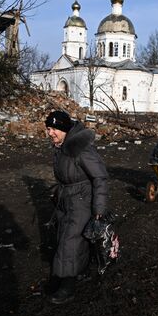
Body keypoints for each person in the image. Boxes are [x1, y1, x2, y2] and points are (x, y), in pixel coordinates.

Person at [44, 110, 108, 304]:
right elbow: (68, 174)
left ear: (65, 129)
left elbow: (100, 177)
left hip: (82, 201)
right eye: (48, 128)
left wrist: (99, 210)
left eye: (54, 128)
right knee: (69, 237)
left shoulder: (80, 149)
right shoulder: (61, 146)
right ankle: (81, 271)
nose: (50, 132)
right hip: (67, 199)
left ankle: (68, 286)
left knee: (70, 241)